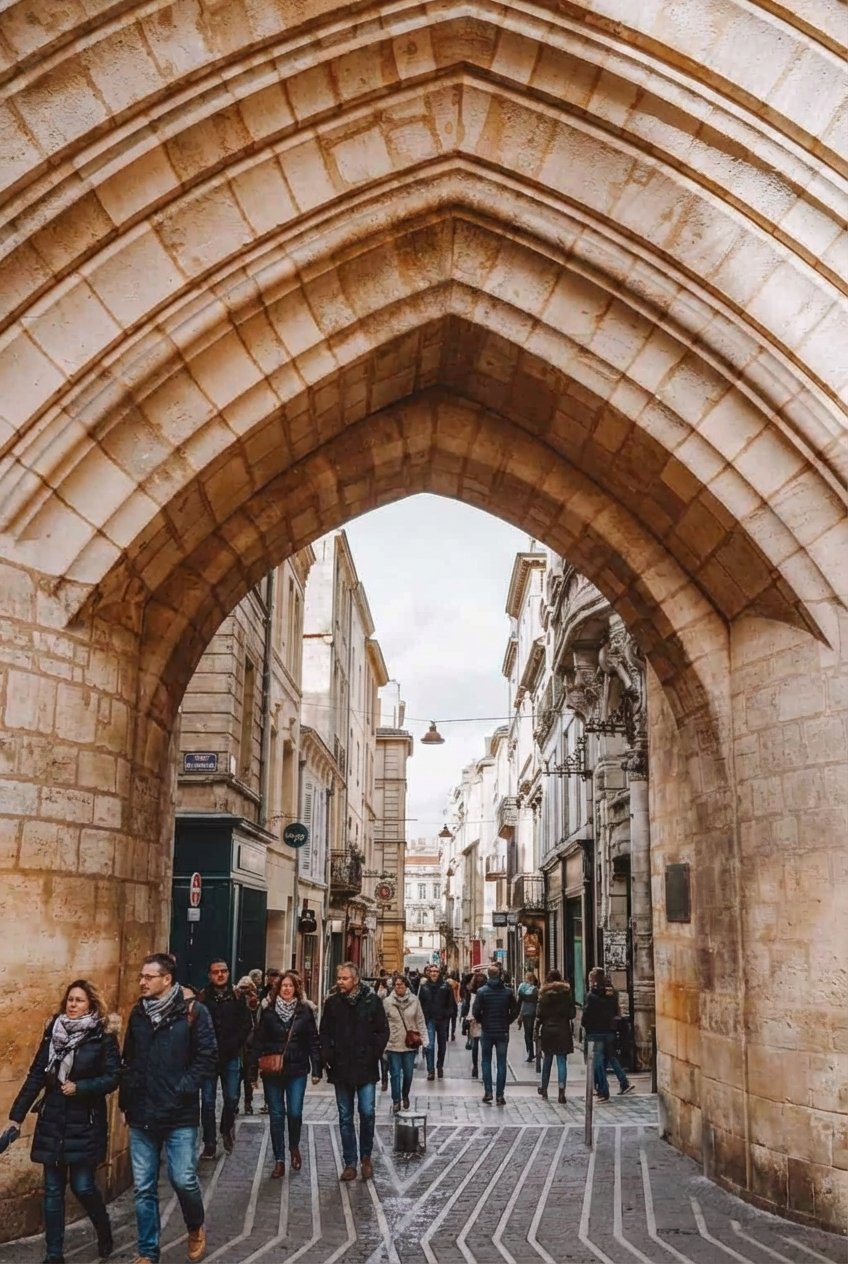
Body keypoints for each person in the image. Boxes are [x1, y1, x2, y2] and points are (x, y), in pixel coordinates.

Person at [7, 978, 120, 1264]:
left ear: (91, 1004)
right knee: (53, 1190)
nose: (73, 1004)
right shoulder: (53, 1031)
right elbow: (35, 1075)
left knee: (83, 1186)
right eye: (70, 999)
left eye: (79, 1000)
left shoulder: (103, 1035)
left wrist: (81, 1088)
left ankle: (103, 1229)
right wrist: (15, 1117)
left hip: (85, 1122)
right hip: (53, 1119)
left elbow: (113, 1077)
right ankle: (54, 1254)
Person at [120, 952, 217, 1264]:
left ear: (167, 979)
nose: (142, 982)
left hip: (178, 1113)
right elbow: (130, 1060)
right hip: (142, 1112)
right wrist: (126, 1100)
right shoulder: (138, 1014)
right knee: (144, 1187)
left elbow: (207, 1057)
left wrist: (183, 1088)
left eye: (149, 977)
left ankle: (195, 1225)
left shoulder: (194, 1012)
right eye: (141, 977)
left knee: (183, 1178)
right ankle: (148, 1251)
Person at [319, 962, 389, 1181]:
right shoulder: (332, 1003)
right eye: (339, 978)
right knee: (345, 1116)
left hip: (366, 1067)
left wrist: (372, 1054)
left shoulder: (372, 1001)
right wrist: (328, 1056)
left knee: (367, 1112)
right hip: (341, 1068)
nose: (340, 981)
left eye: (344, 978)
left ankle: (365, 1157)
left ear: (355, 980)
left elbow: (382, 1031)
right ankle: (350, 1162)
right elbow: (325, 1032)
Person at [252, 971, 321, 1178]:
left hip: (297, 1068)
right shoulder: (268, 1012)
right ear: (278, 989)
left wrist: (316, 1069)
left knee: (295, 1112)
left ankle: (294, 1147)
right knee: (276, 1115)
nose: (287, 989)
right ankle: (279, 1159)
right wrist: (252, 1072)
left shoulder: (305, 1012)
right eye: (284, 986)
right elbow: (257, 1041)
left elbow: (313, 1041)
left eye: (291, 986)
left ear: (296, 989)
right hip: (273, 1070)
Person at [198, 958, 253, 1158]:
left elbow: (247, 1023)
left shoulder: (237, 996)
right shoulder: (203, 998)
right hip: (209, 1057)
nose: (220, 975)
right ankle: (210, 1142)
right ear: (210, 975)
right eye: (216, 972)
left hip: (230, 1055)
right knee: (208, 1101)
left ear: (228, 973)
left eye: (223, 971)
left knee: (231, 1098)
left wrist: (236, 1042)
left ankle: (225, 1127)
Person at [582, 967, 633, 1100]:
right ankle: (624, 1082)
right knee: (611, 1057)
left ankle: (603, 1090)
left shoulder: (591, 996)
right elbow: (616, 1010)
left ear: (593, 979)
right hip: (610, 1031)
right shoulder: (613, 993)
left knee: (598, 1061)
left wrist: (585, 1024)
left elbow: (587, 1015)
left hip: (596, 1032)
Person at [472, 964, 519, 1105]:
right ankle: (500, 1095)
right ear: (500, 976)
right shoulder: (508, 992)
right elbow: (515, 1010)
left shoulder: (481, 992)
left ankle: (488, 1092)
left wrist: (483, 1021)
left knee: (486, 1061)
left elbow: (476, 1012)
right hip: (502, 1032)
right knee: (501, 1063)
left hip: (487, 1031)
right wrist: (507, 1021)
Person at [382, 975, 428, 1112]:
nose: (399, 987)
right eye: (396, 985)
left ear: (406, 986)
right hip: (393, 1043)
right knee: (395, 1074)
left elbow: (420, 1020)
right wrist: (382, 1043)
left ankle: (405, 1095)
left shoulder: (414, 1000)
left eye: (401, 985)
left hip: (409, 1044)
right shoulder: (387, 1002)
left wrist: (425, 1039)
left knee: (408, 1074)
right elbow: (382, 1023)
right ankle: (396, 1100)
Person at [534, 969, 576, 1102]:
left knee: (547, 1060)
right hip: (563, 1030)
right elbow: (572, 1014)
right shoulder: (566, 993)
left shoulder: (544, 994)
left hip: (548, 1030)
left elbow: (539, 1014)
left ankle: (544, 1089)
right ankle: (561, 1091)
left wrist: (537, 1028)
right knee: (561, 1061)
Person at [418, 964, 457, 1081]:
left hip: (442, 1020)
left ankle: (439, 1066)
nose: (434, 973)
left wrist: (447, 1015)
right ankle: (431, 1070)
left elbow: (451, 1005)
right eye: (432, 971)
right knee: (429, 1045)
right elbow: (419, 1004)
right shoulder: (424, 987)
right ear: (428, 973)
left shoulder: (446, 987)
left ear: (439, 973)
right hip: (429, 1019)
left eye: (436, 971)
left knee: (442, 1045)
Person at [235, 975, 260, 1115]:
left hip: (251, 1041)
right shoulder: (236, 999)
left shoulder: (254, 999)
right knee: (238, 1075)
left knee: (249, 1074)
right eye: (242, 988)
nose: (244, 990)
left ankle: (248, 1102)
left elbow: (256, 1017)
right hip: (239, 1042)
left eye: (247, 988)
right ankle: (236, 1102)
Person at [465, 970, 486, 1078]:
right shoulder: (487, 991)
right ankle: (484, 1066)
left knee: (475, 1045)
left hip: (474, 1020)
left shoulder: (471, 993)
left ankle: (475, 1067)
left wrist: (467, 1018)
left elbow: (467, 1006)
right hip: (486, 1021)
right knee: (484, 1045)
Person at [517, 970, 540, 1063]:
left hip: (528, 1013)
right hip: (532, 1013)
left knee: (528, 1034)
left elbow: (522, 1001)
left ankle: (531, 1053)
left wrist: (519, 1014)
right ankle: (532, 1052)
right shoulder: (535, 989)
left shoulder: (525, 989)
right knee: (530, 1034)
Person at [446, 971, 461, 1040]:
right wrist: (458, 1000)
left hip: (447, 1004)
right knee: (453, 1020)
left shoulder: (445, 984)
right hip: (454, 1003)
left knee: (447, 1021)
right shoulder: (456, 984)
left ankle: (446, 1035)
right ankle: (452, 1034)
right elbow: (458, 994)